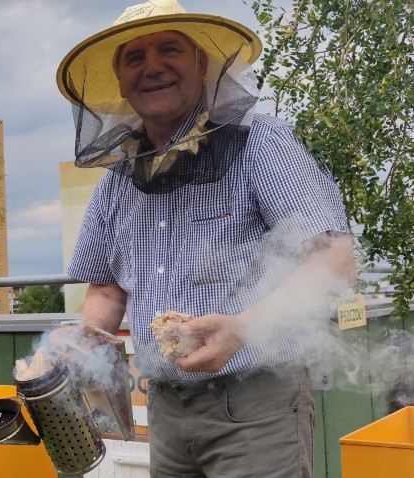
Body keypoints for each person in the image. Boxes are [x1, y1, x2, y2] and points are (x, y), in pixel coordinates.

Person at [54, 1, 357, 476]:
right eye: (134, 58)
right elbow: (107, 287)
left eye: (168, 49)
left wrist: (241, 328)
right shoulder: (117, 181)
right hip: (166, 413)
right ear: (120, 82)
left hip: (255, 408)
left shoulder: (260, 143)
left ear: (201, 64)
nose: (152, 66)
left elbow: (335, 260)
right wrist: (83, 340)